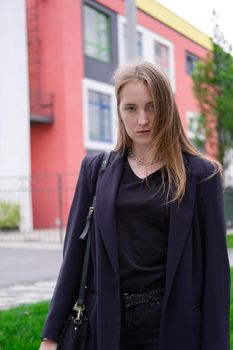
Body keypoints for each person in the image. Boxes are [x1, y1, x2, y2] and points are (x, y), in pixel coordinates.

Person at [39, 61, 230, 350]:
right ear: (119, 110)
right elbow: (74, 258)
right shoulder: (95, 169)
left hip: (171, 323)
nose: (143, 119)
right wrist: (51, 335)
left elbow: (216, 275)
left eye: (152, 107)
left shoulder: (202, 175)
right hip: (105, 320)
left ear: (167, 107)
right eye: (131, 108)